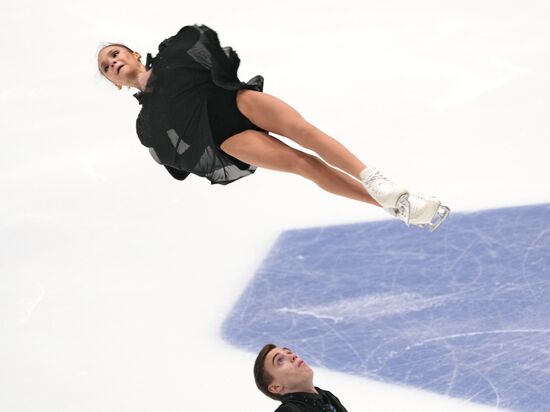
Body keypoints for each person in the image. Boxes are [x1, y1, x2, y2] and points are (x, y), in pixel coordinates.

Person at [97, 24, 449, 231]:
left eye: (115, 53)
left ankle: (375, 179)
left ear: (134, 54)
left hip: (232, 100)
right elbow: (176, 161)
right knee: (304, 165)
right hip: (227, 138)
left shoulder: (172, 55)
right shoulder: (147, 123)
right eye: (107, 66)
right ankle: (397, 206)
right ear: (114, 83)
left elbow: (207, 45)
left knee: (305, 132)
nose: (113, 62)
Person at [254, 343, 348, 412]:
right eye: (279, 360)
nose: (293, 356)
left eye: (289, 352)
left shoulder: (327, 396)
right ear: (275, 387)